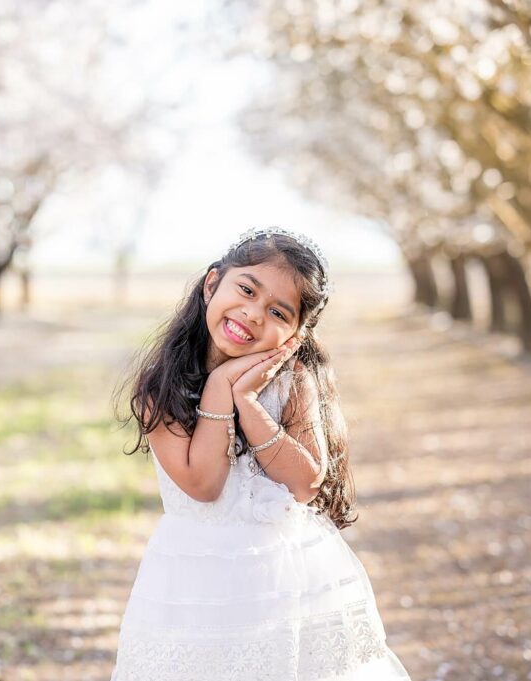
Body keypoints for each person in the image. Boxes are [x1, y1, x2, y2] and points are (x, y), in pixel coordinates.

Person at [109, 226, 412, 680]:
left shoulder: (293, 383)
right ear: (213, 284)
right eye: (246, 289)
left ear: (297, 333)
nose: (252, 314)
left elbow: (306, 483)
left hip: (290, 576)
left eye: (277, 311)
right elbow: (203, 486)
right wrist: (218, 390)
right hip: (194, 579)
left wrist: (248, 403)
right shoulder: (164, 385)